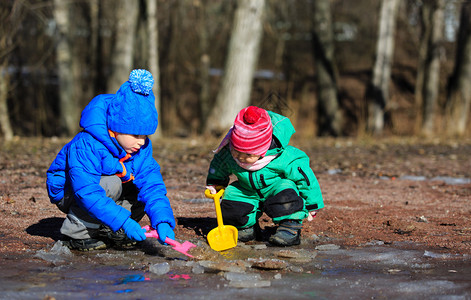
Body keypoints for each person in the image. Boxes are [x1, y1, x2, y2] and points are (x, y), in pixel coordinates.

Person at [46, 69, 175, 251]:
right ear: (115, 128)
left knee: (140, 188)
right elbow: (86, 191)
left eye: (145, 135)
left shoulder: (140, 147)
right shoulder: (88, 144)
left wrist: (162, 219)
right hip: (72, 191)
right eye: (135, 134)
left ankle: (113, 230)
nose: (141, 141)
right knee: (112, 183)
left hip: (102, 188)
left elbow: (152, 185)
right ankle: (77, 234)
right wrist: (124, 220)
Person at [205, 106, 323, 246]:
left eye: (248, 154)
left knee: (286, 194)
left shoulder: (284, 157)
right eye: (236, 151)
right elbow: (219, 164)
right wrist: (215, 182)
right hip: (246, 189)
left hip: (274, 188)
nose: (240, 158)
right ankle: (245, 227)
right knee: (231, 196)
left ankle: (289, 227)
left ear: (262, 151)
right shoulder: (228, 154)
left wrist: (312, 204)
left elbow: (305, 177)